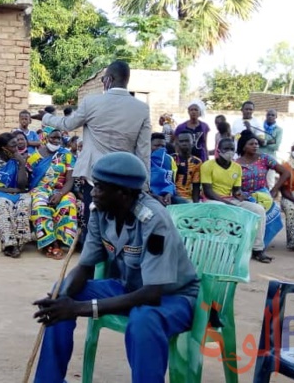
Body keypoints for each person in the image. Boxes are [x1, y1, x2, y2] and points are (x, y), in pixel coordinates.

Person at [32, 152, 199, 383]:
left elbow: (151, 294)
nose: (94, 193)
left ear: (123, 192)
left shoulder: (154, 219)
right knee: (61, 294)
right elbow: (86, 266)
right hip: (129, 289)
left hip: (172, 299)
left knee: (143, 319)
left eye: (100, 187)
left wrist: (78, 308)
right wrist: (63, 298)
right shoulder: (99, 211)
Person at [34, 60, 151, 246]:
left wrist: (46, 117)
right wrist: (144, 185)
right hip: (125, 181)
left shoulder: (92, 102)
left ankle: (94, 267)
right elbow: (144, 151)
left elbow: (67, 124)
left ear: (109, 80)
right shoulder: (141, 108)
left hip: (95, 178)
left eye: (104, 78)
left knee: (94, 227)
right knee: (121, 228)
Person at [200, 137, 270, 263]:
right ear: (219, 150)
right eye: (226, 149)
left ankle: (257, 249)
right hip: (211, 200)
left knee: (258, 209)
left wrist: (242, 196)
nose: (230, 152)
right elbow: (208, 191)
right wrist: (229, 204)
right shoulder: (207, 165)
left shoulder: (237, 167)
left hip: (231, 200)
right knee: (223, 209)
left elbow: (236, 191)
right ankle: (223, 251)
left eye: (232, 149)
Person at [235, 131, 290, 258]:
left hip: (263, 194)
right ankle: (251, 245)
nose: (255, 146)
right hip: (245, 195)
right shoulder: (236, 163)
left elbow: (285, 172)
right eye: (251, 144)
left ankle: (261, 244)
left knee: (271, 209)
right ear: (244, 146)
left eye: (256, 144)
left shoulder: (264, 158)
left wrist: (275, 190)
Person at [29, 127, 78, 260]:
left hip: (62, 189)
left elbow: (70, 180)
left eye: (59, 138)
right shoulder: (36, 155)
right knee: (40, 205)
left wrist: (61, 194)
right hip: (41, 189)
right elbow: (29, 176)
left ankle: (62, 240)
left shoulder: (67, 155)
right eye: (53, 137)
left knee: (68, 204)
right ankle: (50, 243)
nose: (56, 140)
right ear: (46, 138)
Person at [0, 132, 32, 258]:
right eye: (13, 146)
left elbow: (22, 185)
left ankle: (20, 241)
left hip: (16, 192)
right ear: (3, 148)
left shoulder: (18, 160)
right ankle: (9, 245)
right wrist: (14, 191)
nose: (16, 149)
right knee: (2, 205)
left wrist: (22, 164)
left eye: (17, 146)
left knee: (25, 203)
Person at [172, 132, 202, 203]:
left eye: (187, 141)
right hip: (172, 196)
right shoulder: (172, 159)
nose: (184, 143)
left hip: (188, 198)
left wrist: (196, 204)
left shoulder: (196, 162)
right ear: (177, 143)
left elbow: (196, 185)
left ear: (193, 143)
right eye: (181, 141)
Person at [150, 132, 177, 206]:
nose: (160, 148)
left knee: (183, 203)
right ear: (149, 146)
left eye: (163, 146)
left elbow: (171, 181)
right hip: (149, 196)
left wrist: (169, 193)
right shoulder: (144, 159)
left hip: (165, 195)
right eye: (156, 145)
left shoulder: (169, 159)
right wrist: (156, 197)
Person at [259, 109, 284, 188]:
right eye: (268, 115)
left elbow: (276, 146)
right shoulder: (259, 127)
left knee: (269, 180)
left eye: (272, 115)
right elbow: (256, 142)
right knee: (257, 178)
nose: (270, 116)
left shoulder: (279, 130)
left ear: (276, 117)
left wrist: (264, 142)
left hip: (271, 157)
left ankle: (270, 198)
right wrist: (270, 141)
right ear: (266, 116)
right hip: (258, 155)